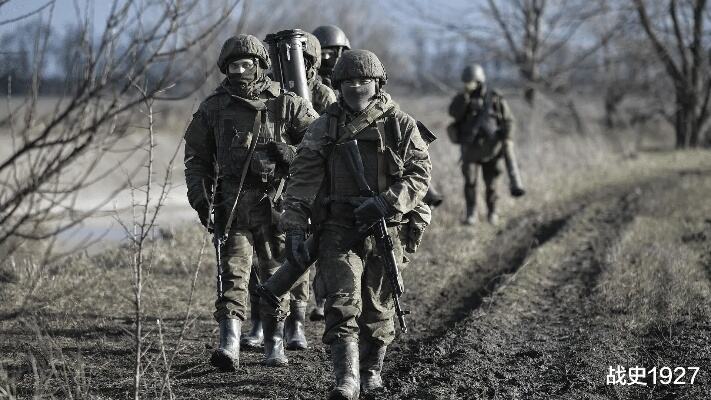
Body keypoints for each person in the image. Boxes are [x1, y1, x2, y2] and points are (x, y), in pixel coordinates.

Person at [279, 49, 431, 399]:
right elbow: (303, 176)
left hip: (386, 229)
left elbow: (420, 174)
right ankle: (346, 379)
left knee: (378, 308)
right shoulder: (324, 126)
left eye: (364, 81)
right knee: (341, 303)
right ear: (339, 84)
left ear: (378, 84)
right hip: (339, 228)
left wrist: (385, 202)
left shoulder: (399, 123)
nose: (357, 87)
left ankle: (372, 371)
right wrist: (295, 221)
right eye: (349, 82)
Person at [183, 34, 317, 370]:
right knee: (233, 275)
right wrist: (203, 201)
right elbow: (196, 159)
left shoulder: (286, 103)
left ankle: (275, 342)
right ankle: (229, 344)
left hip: (275, 207)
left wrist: (293, 154)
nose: (240, 71)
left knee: (274, 276)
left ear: (260, 66)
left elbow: (320, 143)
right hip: (231, 209)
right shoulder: (213, 108)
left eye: (246, 64)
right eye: (233, 65)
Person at [447, 64, 525, 226]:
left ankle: (492, 213)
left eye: (472, 81)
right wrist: (465, 99)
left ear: (479, 81)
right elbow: (453, 114)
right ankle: (471, 214)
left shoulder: (494, 97)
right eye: (466, 82)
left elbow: (509, 120)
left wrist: (506, 135)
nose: (468, 84)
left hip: (492, 149)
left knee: (492, 185)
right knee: (470, 183)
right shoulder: (461, 98)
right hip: (470, 149)